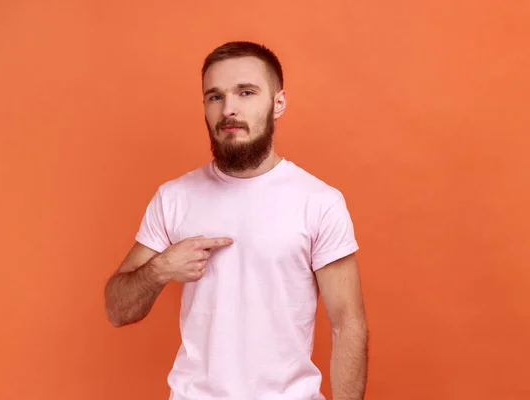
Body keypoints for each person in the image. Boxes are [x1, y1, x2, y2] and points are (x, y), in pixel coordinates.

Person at [104, 41, 368, 400]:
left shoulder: (319, 202)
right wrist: (161, 268)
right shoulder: (174, 197)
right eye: (215, 97)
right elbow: (118, 310)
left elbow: (347, 324)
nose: (229, 109)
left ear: (278, 103)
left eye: (246, 92)